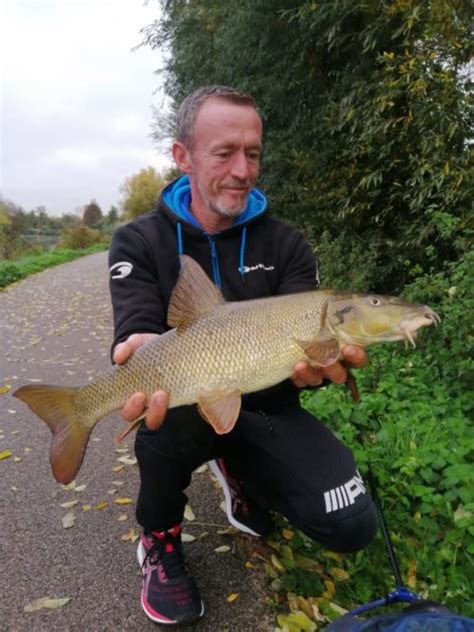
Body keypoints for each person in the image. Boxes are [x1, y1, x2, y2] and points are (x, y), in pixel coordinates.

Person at [108, 85, 377, 626]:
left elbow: (314, 359)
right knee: (167, 418)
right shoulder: (138, 241)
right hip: (181, 406)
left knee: (353, 524)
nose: (242, 168)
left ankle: (238, 470)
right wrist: (136, 353)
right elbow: (135, 331)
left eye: (252, 153)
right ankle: (159, 539)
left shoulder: (287, 243)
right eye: (224, 152)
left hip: (268, 408)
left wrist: (321, 374)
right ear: (182, 156)